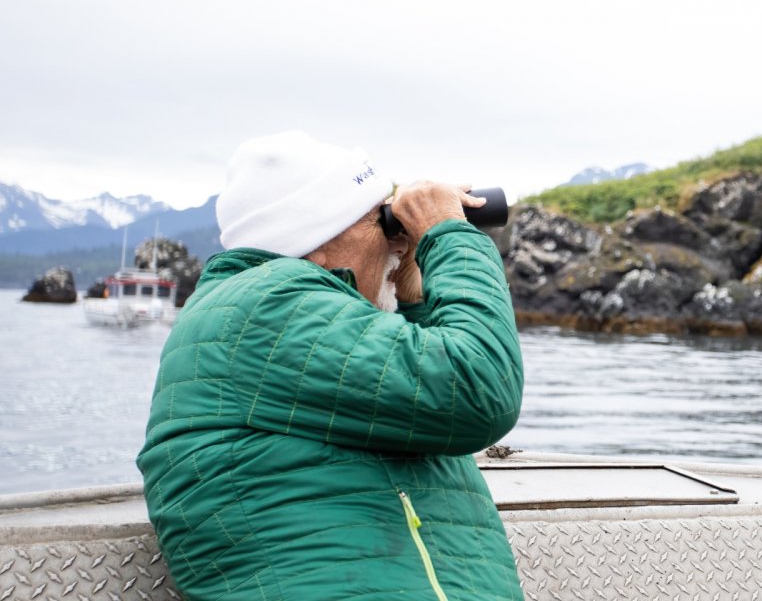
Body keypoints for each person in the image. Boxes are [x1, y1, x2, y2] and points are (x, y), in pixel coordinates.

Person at [136, 130, 524, 600]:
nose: (398, 243)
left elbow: (427, 401)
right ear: (315, 245)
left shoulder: (276, 321)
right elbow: (477, 390)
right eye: (381, 223)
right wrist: (447, 232)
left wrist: (415, 295)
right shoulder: (266, 307)